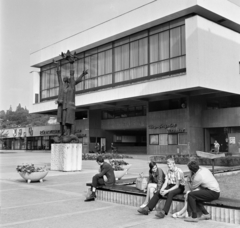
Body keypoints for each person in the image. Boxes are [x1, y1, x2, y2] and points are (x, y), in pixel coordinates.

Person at [54, 59, 88, 136]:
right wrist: (57, 66)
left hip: (69, 106)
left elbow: (72, 75)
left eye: (66, 78)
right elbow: (58, 76)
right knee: (62, 120)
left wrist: (71, 64)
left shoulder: (71, 86)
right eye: (64, 79)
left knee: (70, 121)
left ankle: (71, 134)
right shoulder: (61, 86)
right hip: (63, 106)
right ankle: (62, 133)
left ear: (68, 80)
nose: (64, 79)